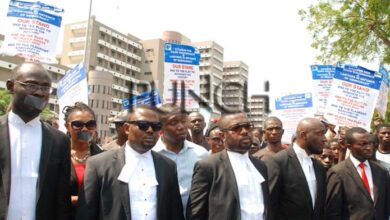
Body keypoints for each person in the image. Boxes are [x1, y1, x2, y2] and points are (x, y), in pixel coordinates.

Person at [76, 105, 184, 220]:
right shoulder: (98, 164)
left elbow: (175, 212)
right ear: (127, 128)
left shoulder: (168, 166)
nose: (150, 130)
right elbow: (86, 213)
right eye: (143, 125)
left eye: (156, 126)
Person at [0, 62, 71, 219]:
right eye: (31, 85)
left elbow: (61, 199)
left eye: (46, 87)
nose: (40, 92)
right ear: (11, 86)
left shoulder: (59, 141)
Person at [187, 112, 269, 220]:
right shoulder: (208, 166)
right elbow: (195, 212)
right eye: (236, 128)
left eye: (247, 127)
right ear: (222, 135)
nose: (244, 131)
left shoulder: (260, 165)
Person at [264, 117, 327, 220]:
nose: (324, 139)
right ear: (303, 135)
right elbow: (270, 205)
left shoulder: (318, 167)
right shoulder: (278, 162)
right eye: (319, 133)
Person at [153, 104, 208, 214]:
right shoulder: (151, 155)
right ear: (160, 127)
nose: (181, 127)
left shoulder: (201, 154)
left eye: (183, 121)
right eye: (174, 123)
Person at [325, 127, 390, 220]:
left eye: (370, 143)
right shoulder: (338, 173)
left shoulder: (381, 171)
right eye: (363, 144)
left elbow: (385, 205)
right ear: (349, 146)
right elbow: (332, 211)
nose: (369, 147)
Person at [62, 102, 104, 218]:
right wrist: (79, 200)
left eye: (90, 124)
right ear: (67, 126)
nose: (85, 129)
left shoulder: (104, 157)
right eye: (78, 124)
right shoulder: (57, 155)